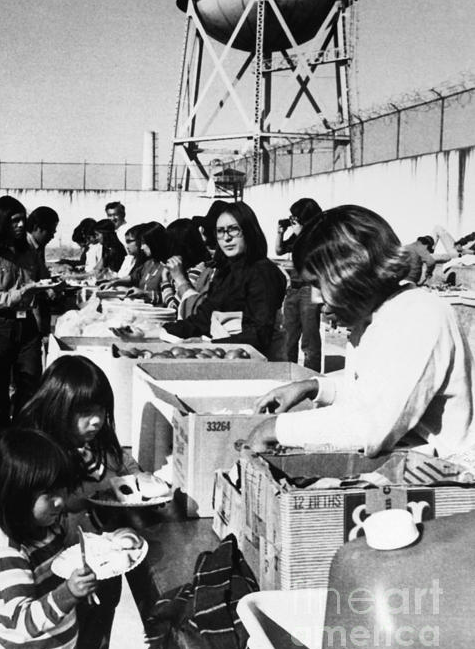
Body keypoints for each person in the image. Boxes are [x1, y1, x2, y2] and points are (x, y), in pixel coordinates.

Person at [246, 205, 475, 466]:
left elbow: (371, 425)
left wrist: (275, 429)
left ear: (350, 275)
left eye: (319, 285)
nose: (317, 299)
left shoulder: (419, 315)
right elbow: (372, 389)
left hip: (449, 478)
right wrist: (313, 387)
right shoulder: (378, 315)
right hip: (409, 466)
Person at [15, 355, 140, 649]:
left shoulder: (103, 450)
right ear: (57, 408)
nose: (96, 421)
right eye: (84, 412)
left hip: (103, 575)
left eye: (100, 410)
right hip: (56, 583)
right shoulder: (41, 460)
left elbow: (127, 472)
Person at [0, 429, 97, 649]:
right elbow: (22, 620)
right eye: (49, 495)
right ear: (17, 495)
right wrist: (70, 592)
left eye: (62, 491)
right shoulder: (9, 551)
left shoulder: (46, 527)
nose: (59, 502)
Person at [0, 196, 53, 443]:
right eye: (14, 220)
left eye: (22, 220)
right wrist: (19, 294)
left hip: (27, 325)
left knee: (30, 383)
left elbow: (42, 278)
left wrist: (51, 287)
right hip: (0, 325)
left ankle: (19, 438)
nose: (20, 225)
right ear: (0, 222)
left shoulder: (29, 253)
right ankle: (1, 441)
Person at [162, 202, 286, 358]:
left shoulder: (263, 272)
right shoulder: (225, 269)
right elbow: (204, 318)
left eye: (233, 229)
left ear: (248, 230)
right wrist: (163, 329)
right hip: (228, 355)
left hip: (256, 362)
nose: (226, 237)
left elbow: (259, 334)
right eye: (220, 231)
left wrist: (209, 345)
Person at [275, 197, 324, 372]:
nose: (293, 219)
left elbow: (314, 253)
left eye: (295, 216)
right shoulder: (298, 234)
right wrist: (280, 233)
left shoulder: (317, 233)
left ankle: (311, 376)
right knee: (288, 336)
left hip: (310, 288)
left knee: (309, 338)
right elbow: (279, 250)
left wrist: (300, 233)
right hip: (293, 288)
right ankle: (288, 372)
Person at [26, 206, 60, 336]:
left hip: (39, 300)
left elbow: (41, 271)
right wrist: (48, 288)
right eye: (50, 231)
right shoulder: (26, 246)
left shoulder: (38, 245)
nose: (52, 236)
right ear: (36, 227)